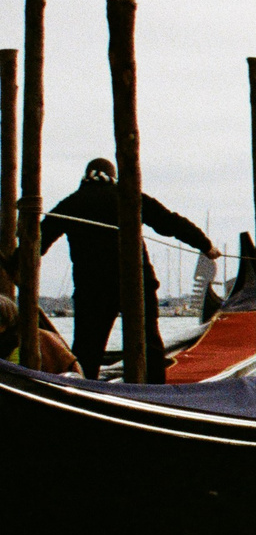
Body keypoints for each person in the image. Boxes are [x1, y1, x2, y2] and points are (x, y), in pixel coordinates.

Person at [40, 158, 215, 379]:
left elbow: (38, 240)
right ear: (113, 176)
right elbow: (169, 222)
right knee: (148, 343)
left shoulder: (71, 203)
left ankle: (83, 394)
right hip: (136, 282)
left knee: (87, 350)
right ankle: (154, 394)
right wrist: (205, 245)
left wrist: (15, 263)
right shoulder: (128, 196)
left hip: (92, 288)